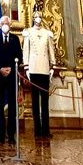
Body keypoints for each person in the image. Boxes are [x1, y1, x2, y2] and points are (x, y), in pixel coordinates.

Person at [0, 15, 22, 145]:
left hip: (12, 76)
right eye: (2, 23)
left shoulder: (15, 39)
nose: (5, 25)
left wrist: (10, 70)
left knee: (13, 108)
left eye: (7, 23)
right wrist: (0, 69)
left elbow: (19, 57)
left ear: (10, 25)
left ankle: (11, 135)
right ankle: (1, 135)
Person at [22, 10, 55, 139]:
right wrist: (26, 67)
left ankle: (46, 130)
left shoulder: (48, 33)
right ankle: (37, 130)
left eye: (40, 16)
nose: (38, 18)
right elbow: (26, 50)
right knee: (35, 101)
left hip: (45, 68)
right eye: (35, 16)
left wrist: (53, 66)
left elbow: (51, 50)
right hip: (33, 68)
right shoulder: (28, 32)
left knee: (45, 101)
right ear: (32, 18)